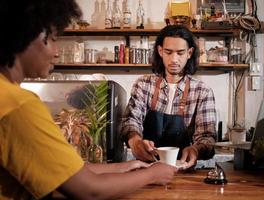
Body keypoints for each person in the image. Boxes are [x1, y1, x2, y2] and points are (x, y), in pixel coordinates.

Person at [0, 0, 177, 199]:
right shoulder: (19, 104)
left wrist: (127, 166)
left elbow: (69, 171)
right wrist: (152, 174)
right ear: (23, 36)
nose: (56, 51)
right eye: (50, 39)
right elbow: (90, 190)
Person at [121, 25, 217, 169]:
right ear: (160, 51)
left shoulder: (202, 92)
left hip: (183, 171)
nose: (174, 59)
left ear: (189, 53)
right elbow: (130, 121)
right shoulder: (143, 85)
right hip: (146, 170)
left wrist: (196, 150)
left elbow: (207, 137)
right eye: (168, 52)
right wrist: (135, 141)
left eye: (180, 53)